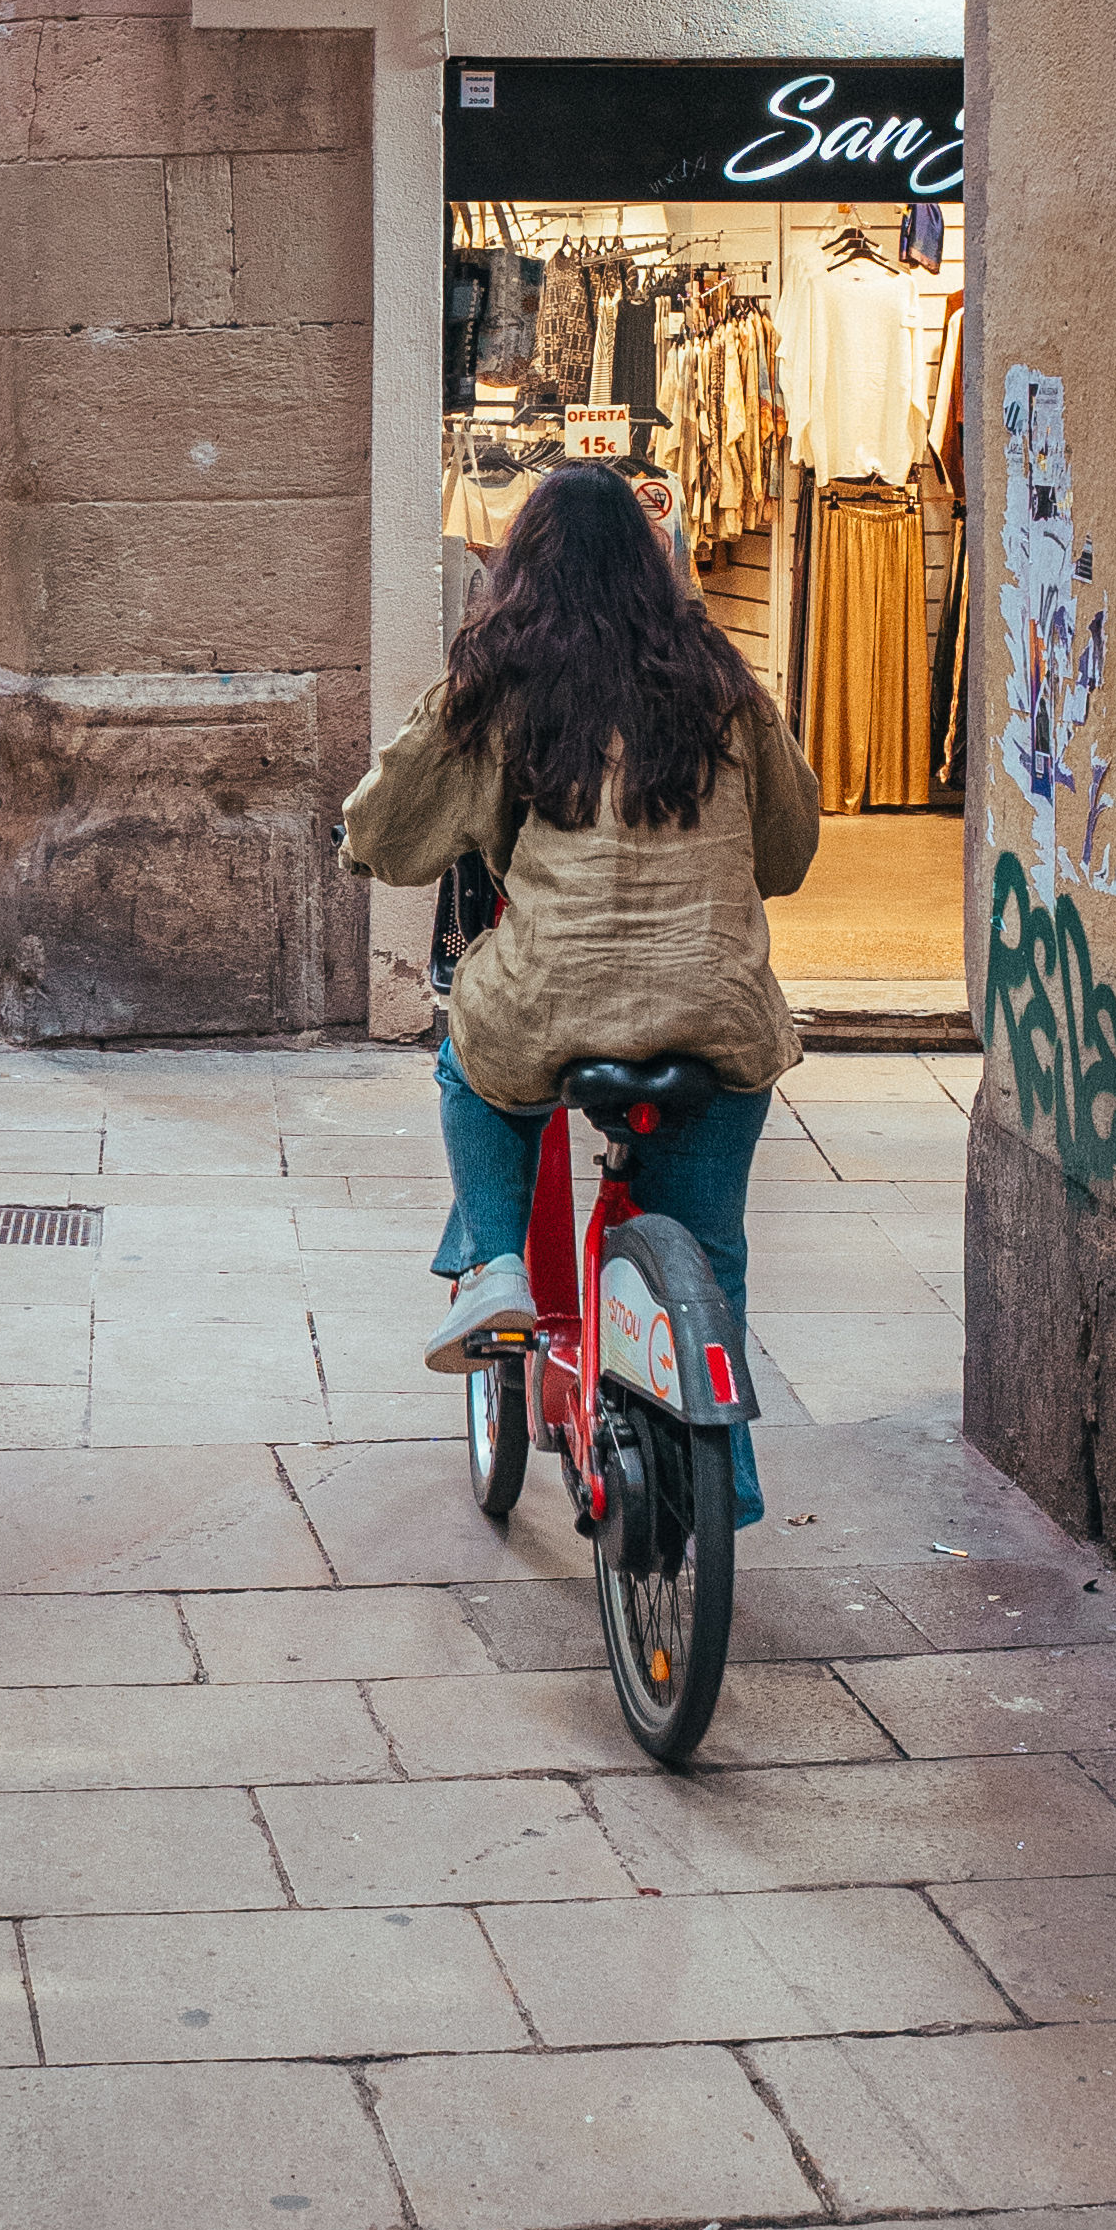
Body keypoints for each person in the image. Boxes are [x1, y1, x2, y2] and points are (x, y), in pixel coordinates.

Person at [339, 464, 821, 1521]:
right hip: (721, 1020)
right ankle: (721, 1491)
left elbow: (391, 823)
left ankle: (499, 1265)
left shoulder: (506, 681)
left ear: (525, 568)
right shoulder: (727, 685)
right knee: (714, 1257)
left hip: (551, 1005)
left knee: (470, 1053)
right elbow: (788, 851)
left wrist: (367, 841)